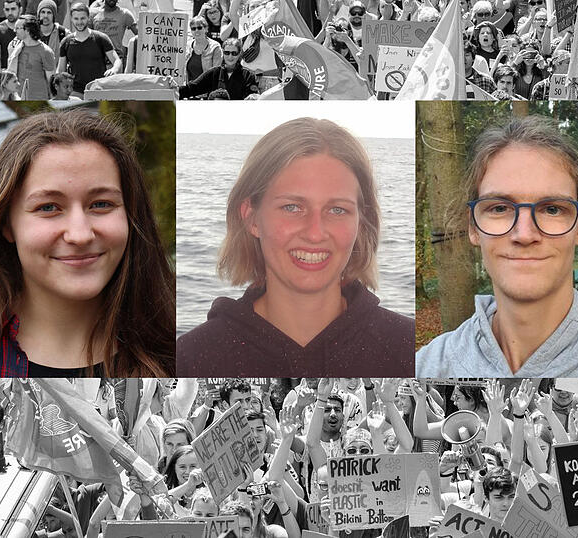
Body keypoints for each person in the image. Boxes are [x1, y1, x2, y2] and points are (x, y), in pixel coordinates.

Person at [0, 110, 175, 377]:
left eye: (101, 204)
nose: (80, 234)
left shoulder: (179, 350)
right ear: (6, 223)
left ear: (130, 215)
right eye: (48, 207)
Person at [416, 116, 578, 377]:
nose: (525, 234)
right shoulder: (425, 366)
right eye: (499, 208)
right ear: (473, 226)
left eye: (552, 209)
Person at [177, 118, 415, 376]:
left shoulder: (410, 351)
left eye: (337, 209)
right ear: (251, 217)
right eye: (292, 207)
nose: (315, 233)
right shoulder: (189, 358)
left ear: (361, 221)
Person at [57, 2, 121, 98]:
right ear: (71, 19)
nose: (79, 22)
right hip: (75, 91)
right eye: (76, 19)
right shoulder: (66, 42)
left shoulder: (101, 38)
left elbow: (117, 60)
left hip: (98, 89)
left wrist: (114, 69)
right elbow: (61, 70)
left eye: (82, 18)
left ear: (88, 17)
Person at [177, 37, 259, 100]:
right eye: (227, 53)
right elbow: (191, 88)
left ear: (239, 54)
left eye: (234, 53)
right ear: (223, 53)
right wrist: (173, 89)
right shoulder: (214, 73)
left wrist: (254, 96)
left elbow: (253, 97)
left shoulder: (248, 76)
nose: (230, 57)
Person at [10, 14, 56, 100]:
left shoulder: (46, 51)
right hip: (19, 99)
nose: (14, 30)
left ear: (27, 30)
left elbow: (51, 82)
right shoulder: (16, 49)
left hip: (40, 101)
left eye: (17, 28)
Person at [185, 15, 222, 83]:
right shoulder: (187, 45)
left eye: (199, 28)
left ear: (206, 29)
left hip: (206, 88)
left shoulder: (215, 47)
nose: (196, 31)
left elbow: (216, 73)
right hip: (189, 89)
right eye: (193, 28)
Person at [0, 0, 20, 76]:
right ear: (3, 10)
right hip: (6, 73)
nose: (10, 13)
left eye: (13, 9)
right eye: (7, 9)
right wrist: (0, 77)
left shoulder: (27, 28)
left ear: (20, 9)